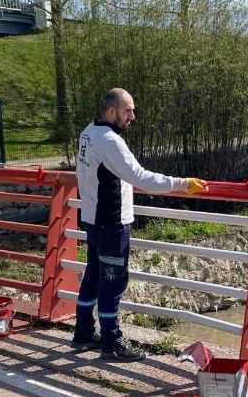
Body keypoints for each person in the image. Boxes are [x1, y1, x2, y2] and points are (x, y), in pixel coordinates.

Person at [74, 88, 208, 361]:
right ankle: (112, 342)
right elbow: (140, 177)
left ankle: (84, 331)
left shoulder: (89, 131)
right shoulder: (110, 141)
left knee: (94, 275)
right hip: (111, 220)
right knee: (113, 281)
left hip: (92, 217)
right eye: (128, 111)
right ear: (112, 111)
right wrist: (182, 184)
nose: (132, 116)